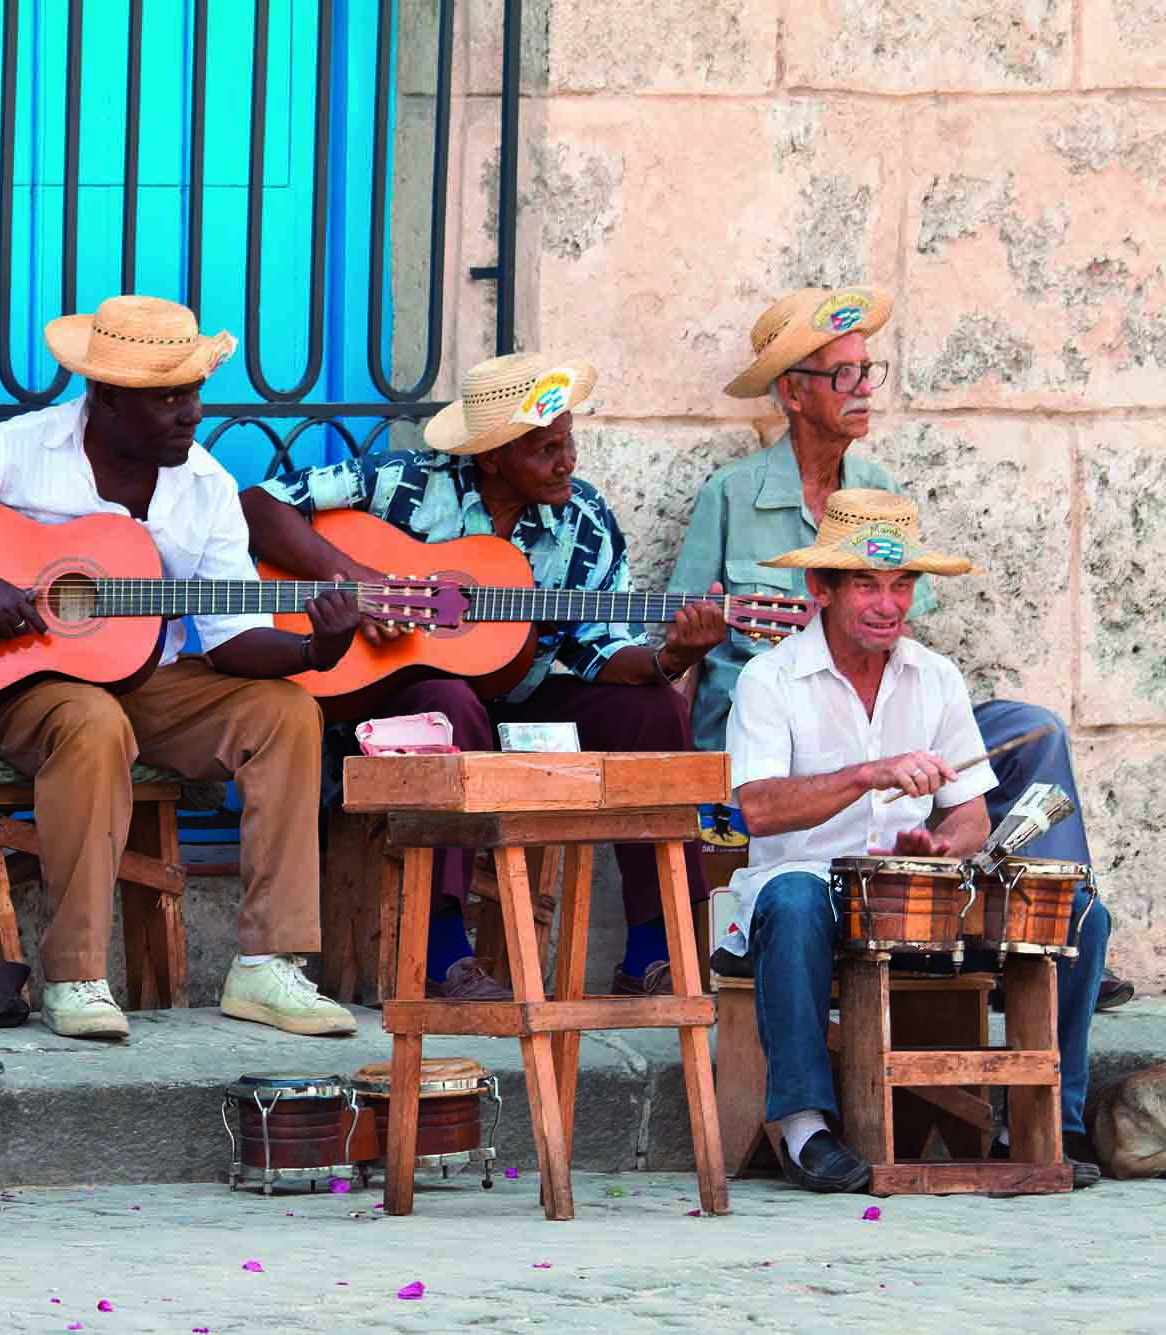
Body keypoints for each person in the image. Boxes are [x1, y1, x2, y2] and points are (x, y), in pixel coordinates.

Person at [0, 294, 364, 1041]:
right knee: (91, 719)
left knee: (287, 710)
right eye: (168, 397)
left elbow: (231, 635)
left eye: (194, 392)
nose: (191, 412)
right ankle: (77, 974)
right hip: (16, 684)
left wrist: (316, 649)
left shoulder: (205, 487)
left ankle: (267, 964)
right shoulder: (19, 449)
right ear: (107, 400)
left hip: (148, 683)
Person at [669, 285, 1132, 1011]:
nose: (862, 390)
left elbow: (902, 634)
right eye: (842, 375)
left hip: (875, 707)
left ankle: (1065, 937)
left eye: (866, 371)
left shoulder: (878, 488)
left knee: (1034, 732)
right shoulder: (731, 494)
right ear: (791, 392)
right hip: (772, 735)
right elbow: (678, 645)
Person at [243, 353, 728, 1000]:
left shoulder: (584, 520)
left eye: (569, 441)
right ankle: (445, 953)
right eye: (545, 448)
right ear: (493, 455)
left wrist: (672, 658)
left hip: (526, 701)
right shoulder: (404, 481)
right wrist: (365, 584)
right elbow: (261, 504)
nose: (568, 462)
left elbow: (597, 652)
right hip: (398, 701)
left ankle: (650, 952)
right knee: (453, 699)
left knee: (657, 710)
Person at [726, 488, 1107, 1192]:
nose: (887, 604)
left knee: (1081, 911)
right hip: (810, 893)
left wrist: (946, 847)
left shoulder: (935, 678)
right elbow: (758, 808)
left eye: (901, 584)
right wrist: (867, 773)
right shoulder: (768, 679)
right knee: (796, 897)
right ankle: (808, 1127)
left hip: (918, 897)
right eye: (867, 584)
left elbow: (970, 817)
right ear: (821, 587)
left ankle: (1048, 1122)